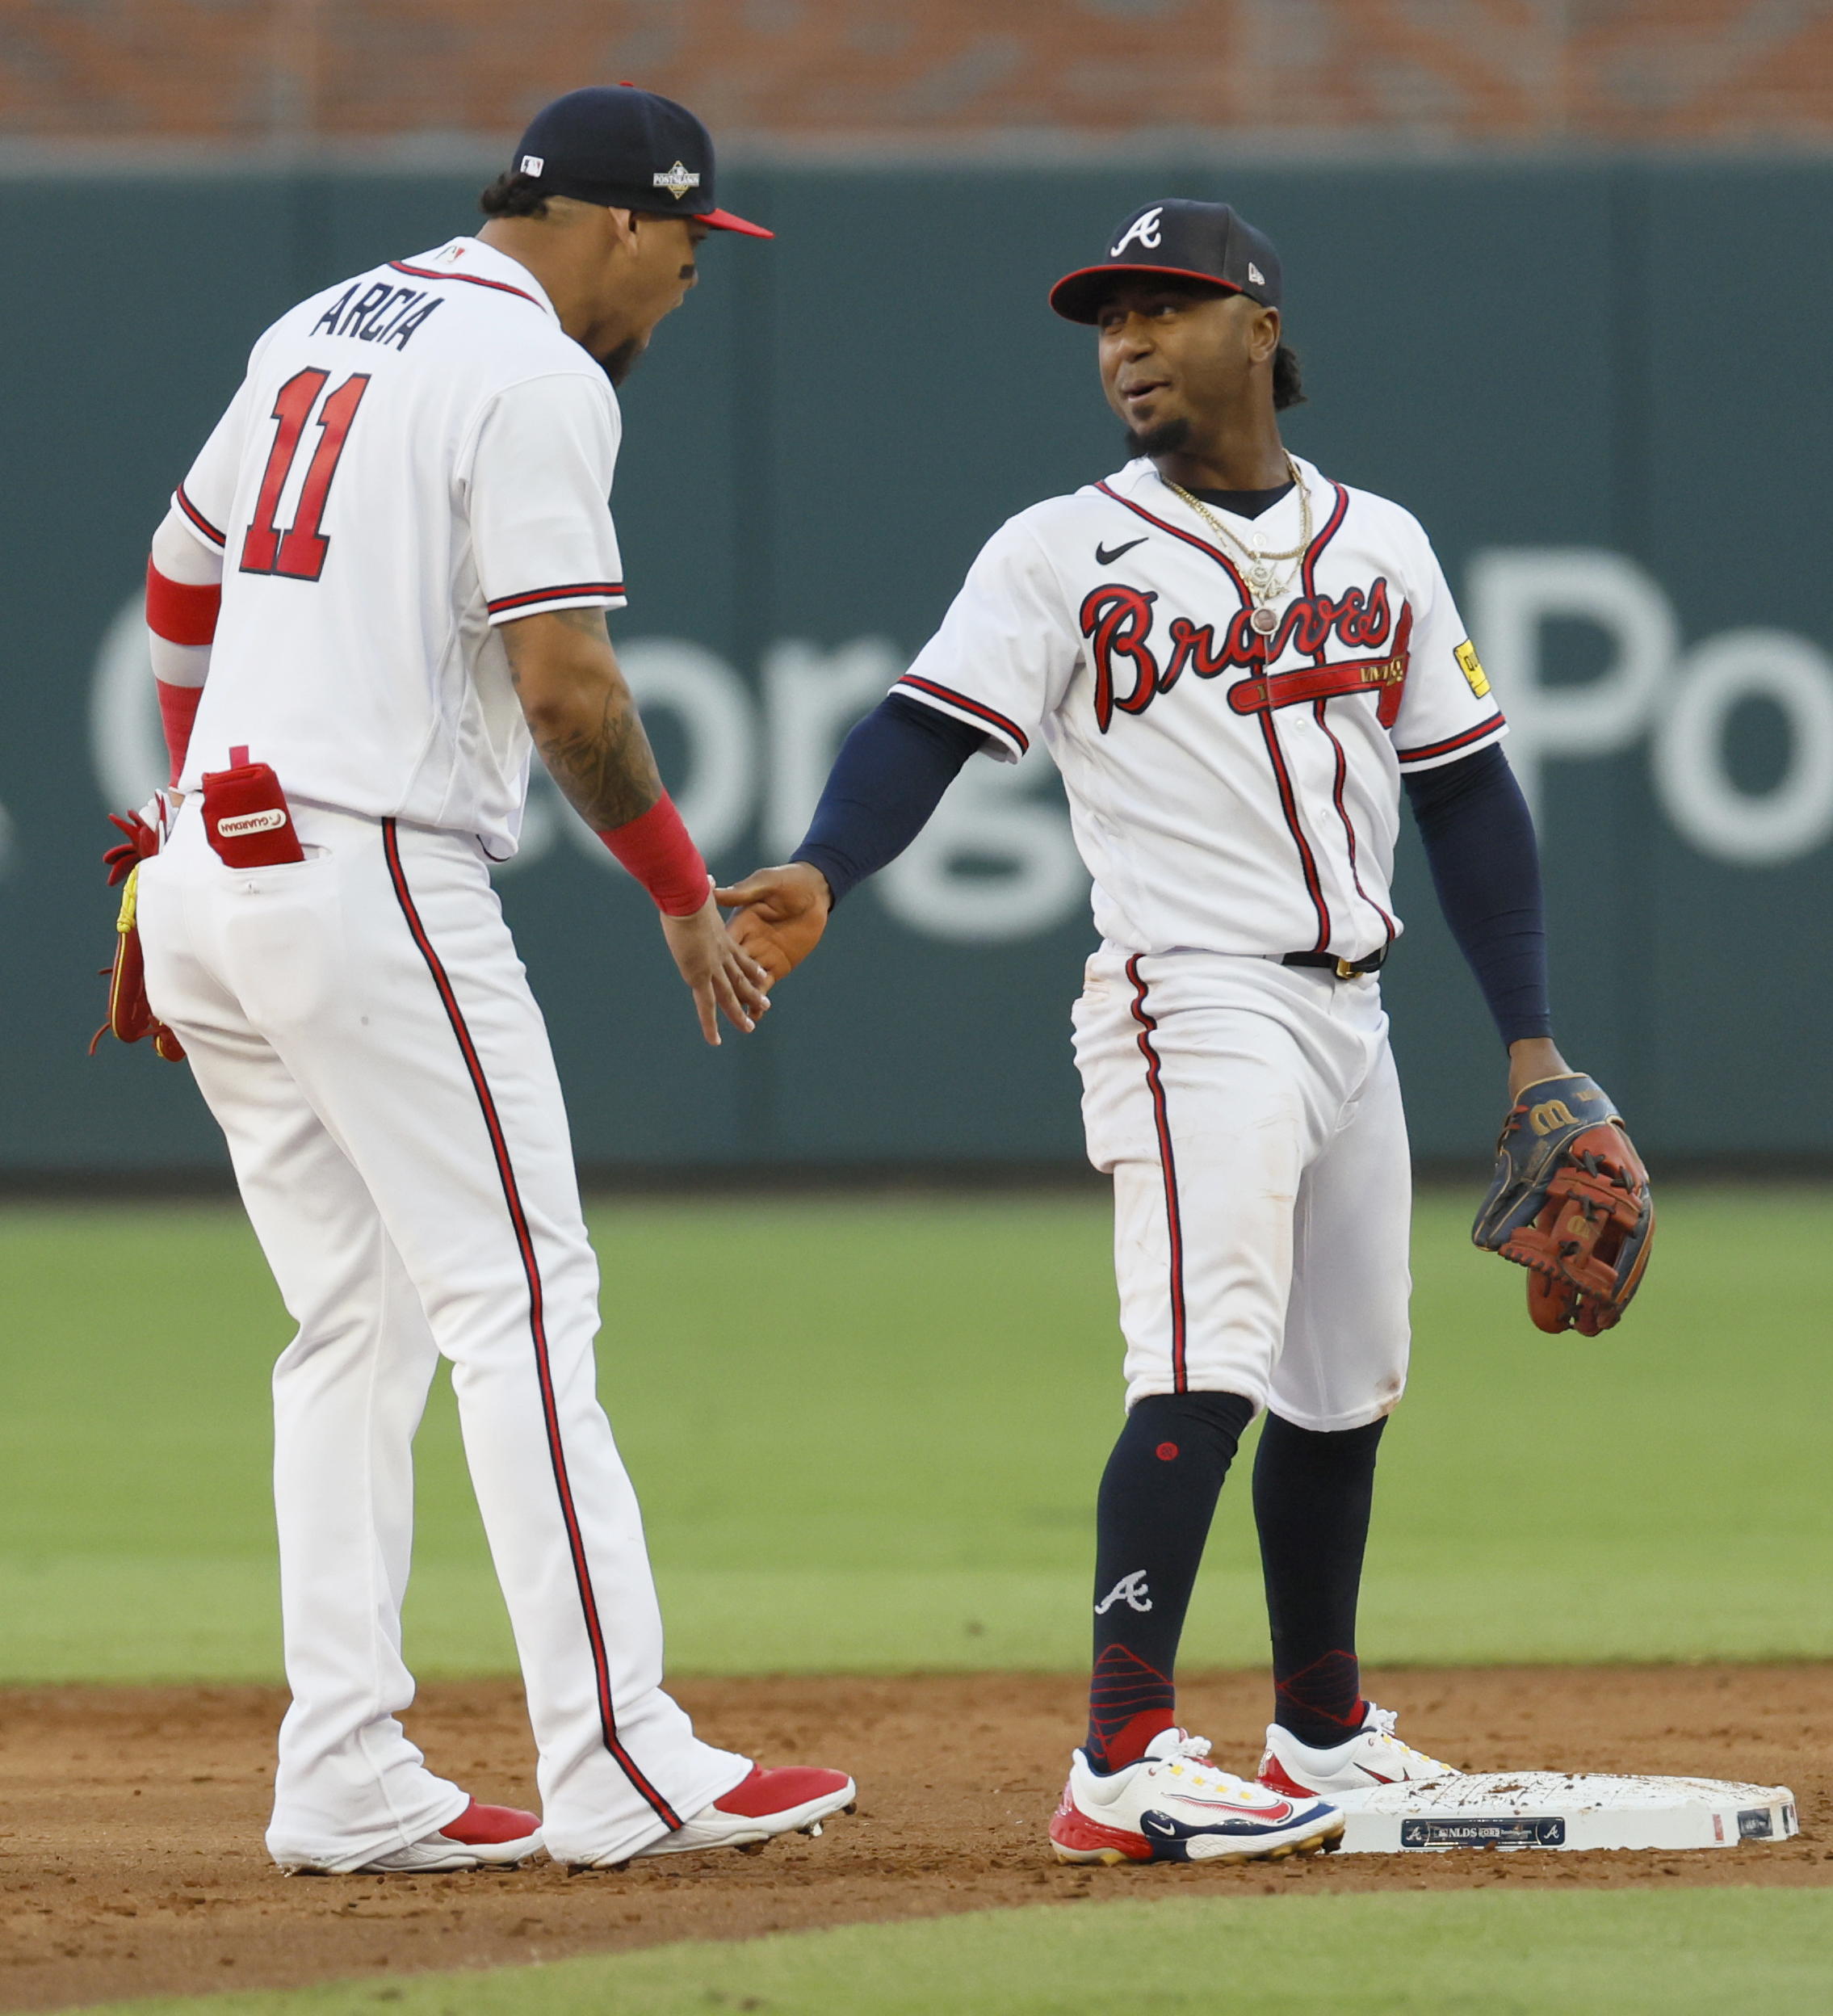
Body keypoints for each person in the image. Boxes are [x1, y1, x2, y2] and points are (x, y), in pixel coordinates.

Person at [716, 199, 1571, 1866]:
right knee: (1202, 1364)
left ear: (1259, 329)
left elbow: (1470, 799)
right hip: (1192, 1002)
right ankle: (1119, 1752)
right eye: (1107, 320)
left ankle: (1319, 1732)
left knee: (1344, 1388)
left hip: (1351, 1013)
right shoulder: (1060, 552)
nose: (1124, 342)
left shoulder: (1380, 542)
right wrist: (824, 866)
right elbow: (920, 730)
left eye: (1163, 309)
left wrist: (1528, 1044)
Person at [132, 86, 854, 1875]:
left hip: (214, 871)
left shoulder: (320, 320)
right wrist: (682, 894)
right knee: (520, 1296)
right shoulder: (537, 376)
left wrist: (175, 812)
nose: (689, 284)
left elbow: (175, 581)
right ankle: (619, 1756)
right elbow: (569, 694)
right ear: (621, 222)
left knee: (351, 1328)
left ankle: (346, 1770)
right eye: (690, 246)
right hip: (370, 863)